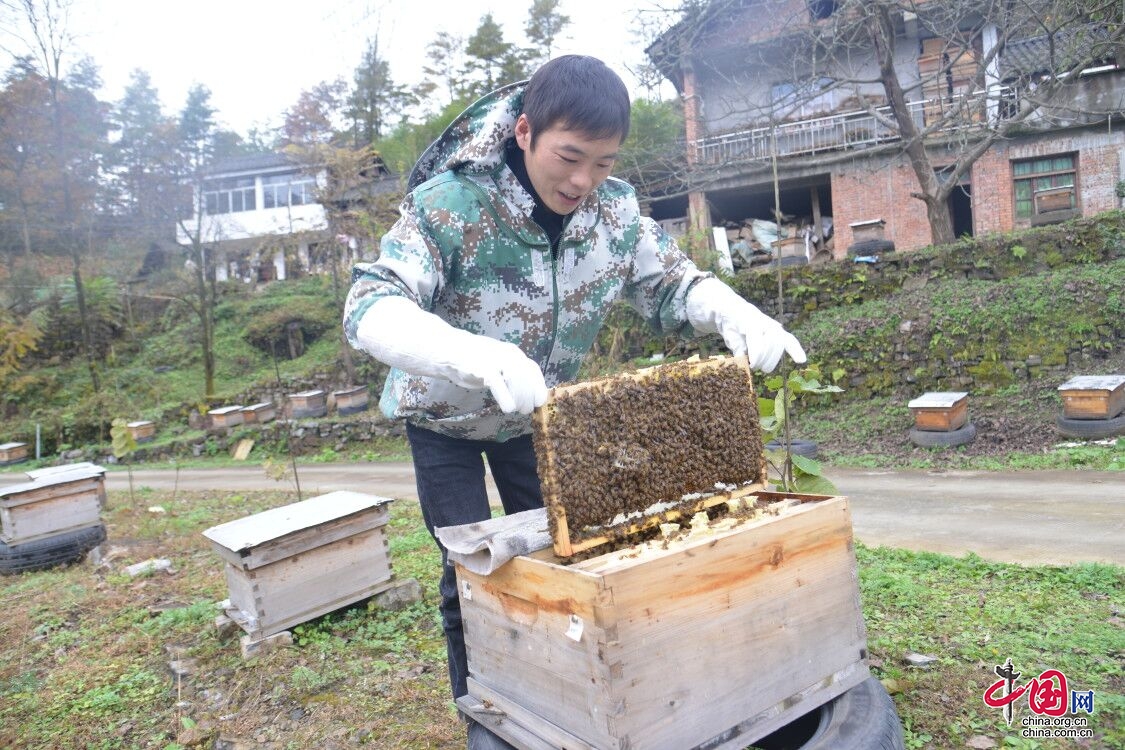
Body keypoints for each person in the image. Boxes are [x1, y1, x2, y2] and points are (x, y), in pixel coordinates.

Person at [343, 55, 806, 750]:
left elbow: (670, 282)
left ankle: (565, 695)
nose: (582, 180)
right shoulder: (449, 205)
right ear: (525, 132)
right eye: (568, 156)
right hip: (444, 421)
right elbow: (369, 305)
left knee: (564, 554)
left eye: (602, 161)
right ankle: (485, 713)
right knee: (470, 570)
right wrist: (470, 354)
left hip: (537, 417)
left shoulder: (613, 212)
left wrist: (730, 311)